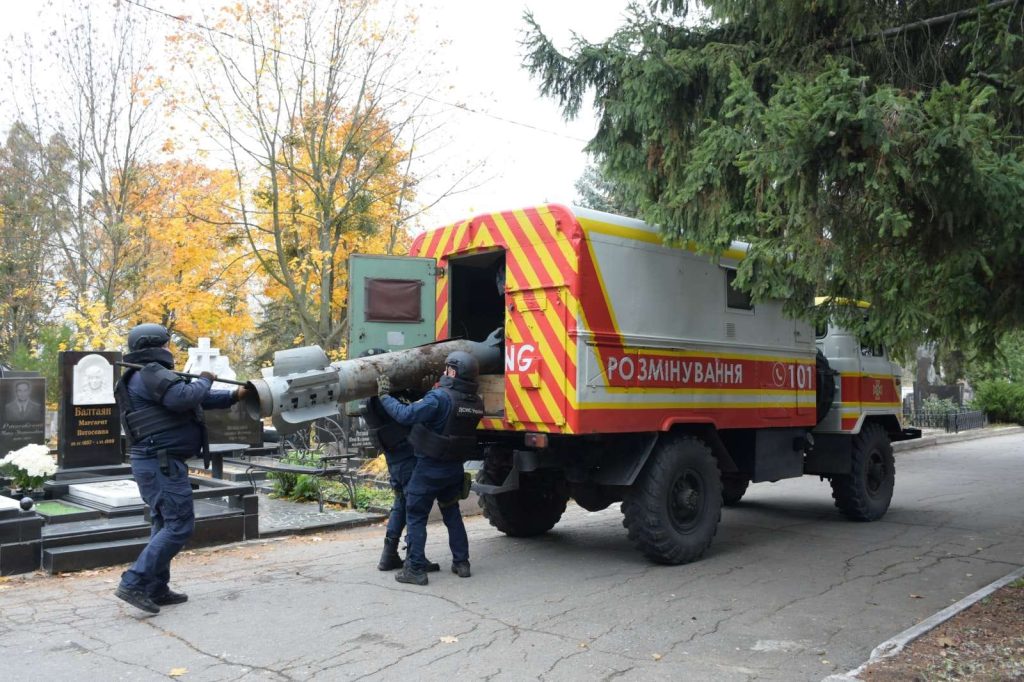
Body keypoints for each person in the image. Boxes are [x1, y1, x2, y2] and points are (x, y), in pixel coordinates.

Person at [112, 323, 247, 614]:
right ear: (156, 347)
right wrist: (206, 379)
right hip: (160, 462)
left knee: (164, 523)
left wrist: (234, 396)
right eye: (167, 344)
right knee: (179, 525)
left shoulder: (149, 376)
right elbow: (184, 397)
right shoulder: (149, 374)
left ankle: (155, 588)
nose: (170, 350)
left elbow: (194, 401)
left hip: (158, 462)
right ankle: (134, 581)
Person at [377, 351, 484, 586]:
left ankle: (415, 569)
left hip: (428, 470)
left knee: (415, 516)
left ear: (453, 372)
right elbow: (445, 422)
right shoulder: (476, 402)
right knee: (452, 513)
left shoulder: (439, 398)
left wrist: (385, 396)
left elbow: (405, 415)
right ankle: (461, 562)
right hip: (453, 469)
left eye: (447, 369)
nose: (444, 372)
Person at [361, 395, 439, 573]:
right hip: (404, 455)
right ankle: (414, 557)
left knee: (401, 502)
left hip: (394, 455)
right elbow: (405, 413)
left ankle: (389, 555)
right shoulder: (384, 398)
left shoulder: (369, 399)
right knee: (414, 505)